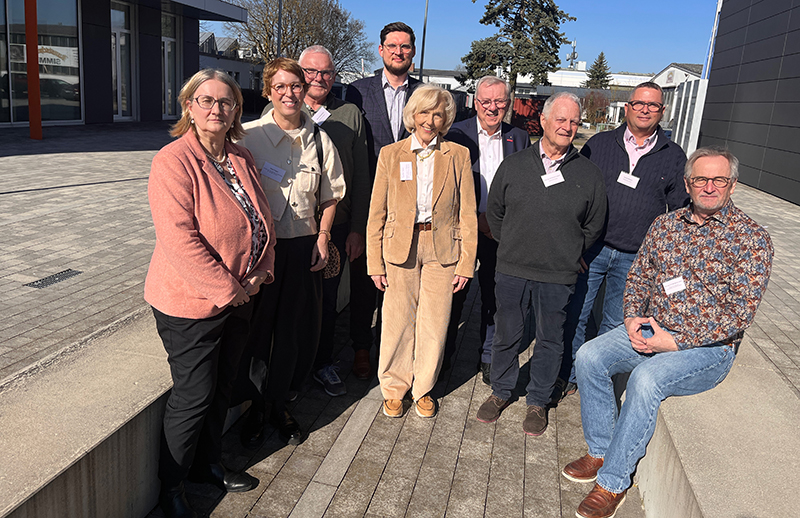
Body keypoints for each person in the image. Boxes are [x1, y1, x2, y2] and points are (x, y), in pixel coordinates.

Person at [562, 147, 773, 518]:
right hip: (651, 327)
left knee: (645, 379)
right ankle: (601, 448)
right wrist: (631, 318)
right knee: (589, 356)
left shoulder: (752, 239)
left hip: (708, 349)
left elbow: (738, 315)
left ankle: (612, 482)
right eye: (700, 179)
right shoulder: (666, 225)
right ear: (687, 184)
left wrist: (674, 341)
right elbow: (640, 275)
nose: (709, 187)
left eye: (718, 180)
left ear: (733, 185)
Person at [145, 69, 276, 518]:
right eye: (206, 101)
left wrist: (262, 270)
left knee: (223, 386)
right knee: (194, 393)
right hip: (191, 302)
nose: (216, 109)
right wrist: (229, 289)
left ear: (237, 110)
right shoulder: (173, 160)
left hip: (243, 292)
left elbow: (264, 219)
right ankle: (172, 487)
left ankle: (208, 464)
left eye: (226, 102)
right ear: (189, 107)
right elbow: (179, 239)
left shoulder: (240, 156)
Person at [477, 92, 606, 436]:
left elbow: (594, 223)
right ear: (544, 121)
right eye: (561, 120)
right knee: (507, 332)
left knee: (551, 338)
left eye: (574, 122)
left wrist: (571, 251)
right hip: (512, 268)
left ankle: (538, 400)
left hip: (558, 273)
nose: (567, 127)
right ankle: (501, 391)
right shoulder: (515, 164)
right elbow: (496, 211)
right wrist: (514, 243)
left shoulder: (588, 174)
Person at [236, 58, 345, 446]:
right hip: (262, 250)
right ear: (268, 91)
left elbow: (331, 194)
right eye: (280, 87)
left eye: (295, 86)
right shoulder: (248, 136)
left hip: (303, 246)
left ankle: (278, 405)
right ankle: (255, 409)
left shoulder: (319, 139)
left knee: (290, 333)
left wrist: (323, 236)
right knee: (257, 332)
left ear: (305, 90)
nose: (289, 93)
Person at [558, 81, 689, 400]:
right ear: (627, 107)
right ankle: (568, 375)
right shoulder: (599, 144)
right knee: (575, 315)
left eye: (653, 105)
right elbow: (576, 194)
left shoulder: (673, 155)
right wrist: (574, 243)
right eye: (640, 103)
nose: (645, 109)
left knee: (615, 326)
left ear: (661, 112)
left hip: (637, 258)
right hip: (593, 249)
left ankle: (595, 382)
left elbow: (680, 209)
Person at [366, 84, 477, 419]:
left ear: (446, 119)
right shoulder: (391, 153)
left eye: (438, 113)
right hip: (400, 247)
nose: (430, 120)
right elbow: (377, 211)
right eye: (424, 112)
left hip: (444, 248)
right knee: (397, 319)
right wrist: (375, 262)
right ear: (412, 115)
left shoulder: (458, 155)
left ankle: (424, 388)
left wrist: (467, 263)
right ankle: (394, 387)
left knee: (435, 320)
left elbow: (468, 212)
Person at [287, 45, 371, 397]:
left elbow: (363, 175)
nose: (318, 79)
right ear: (298, 72)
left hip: (336, 227)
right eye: (311, 71)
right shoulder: (281, 111)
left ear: (334, 78)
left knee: (326, 298)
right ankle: (288, 370)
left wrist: (357, 228)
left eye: (326, 73)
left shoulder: (350, 114)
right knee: (291, 302)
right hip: (291, 227)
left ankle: (322, 364)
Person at [344, 21, 423, 378]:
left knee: (402, 280)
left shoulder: (425, 94)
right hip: (368, 197)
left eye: (405, 47)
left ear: (412, 52)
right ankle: (361, 347)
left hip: (410, 202)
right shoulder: (357, 92)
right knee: (364, 276)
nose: (398, 52)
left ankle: (398, 350)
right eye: (392, 46)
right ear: (380, 50)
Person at [446, 75, 531, 384]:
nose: (492, 108)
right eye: (486, 101)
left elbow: (525, 187)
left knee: (494, 298)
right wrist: (474, 218)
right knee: (453, 295)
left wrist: (498, 223)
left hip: (501, 233)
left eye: (499, 102)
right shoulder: (457, 135)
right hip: (462, 230)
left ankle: (487, 356)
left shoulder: (519, 138)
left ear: (507, 104)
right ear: (475, 102)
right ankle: (444, 356)